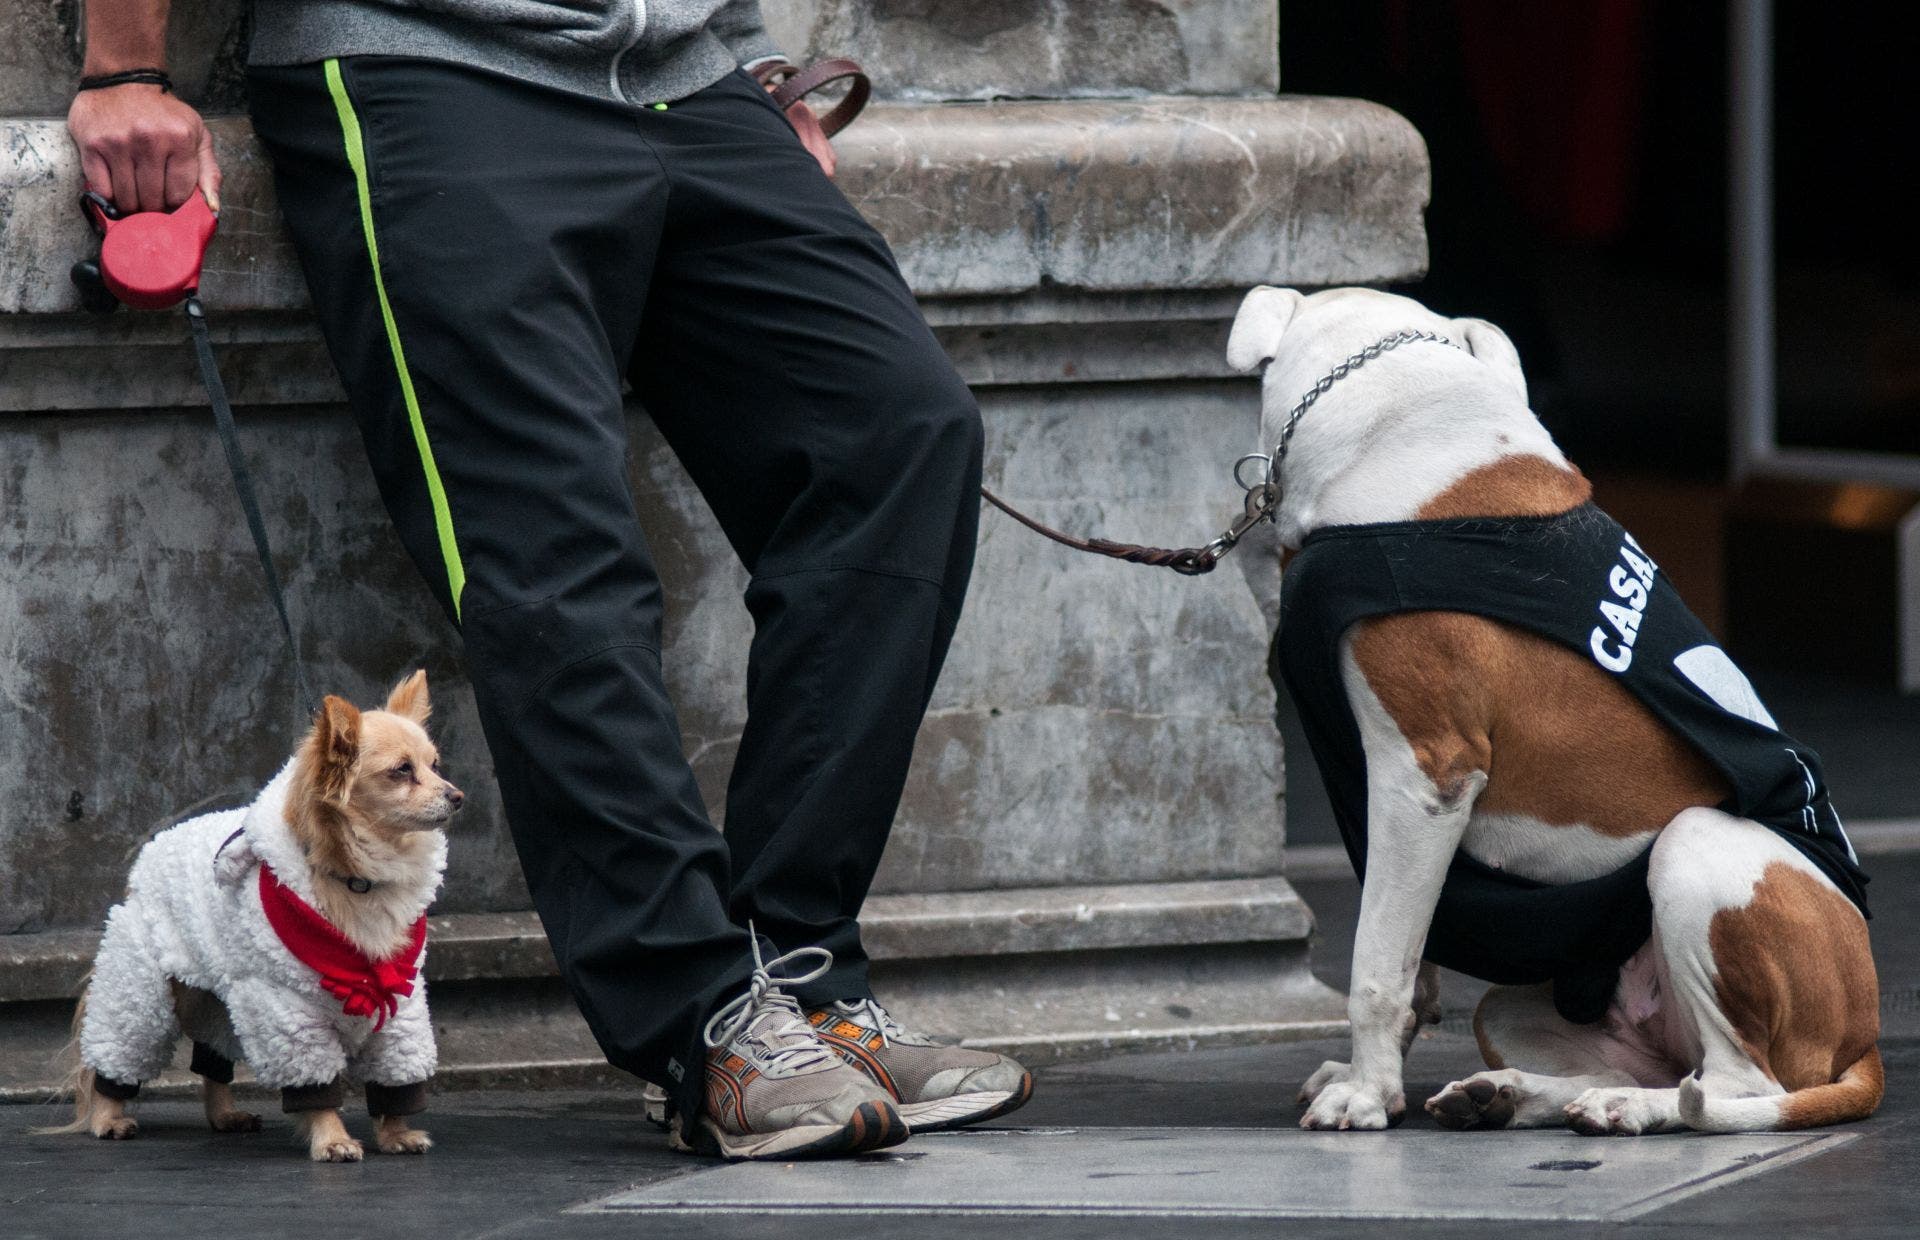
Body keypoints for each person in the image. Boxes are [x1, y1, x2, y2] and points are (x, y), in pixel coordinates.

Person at [66, 0, 1030, 1160]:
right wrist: (125, 71)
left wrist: (744, 49)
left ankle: (797, 969)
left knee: (902, 436)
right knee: (553, 547)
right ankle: (704, 1018)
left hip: (686, 80)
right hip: (428, 70)